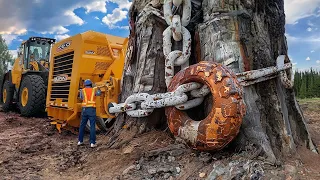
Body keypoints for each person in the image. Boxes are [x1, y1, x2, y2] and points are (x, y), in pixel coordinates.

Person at [77, 79, 101, 148]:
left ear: (85, 85)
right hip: (91, 109)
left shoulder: (82, 90)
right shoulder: (94, 90)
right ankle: (92, 143)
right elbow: (99, 93)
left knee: (82, 125)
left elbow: (81, 98)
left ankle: (80, 141)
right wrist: (98, 88)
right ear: (91, 84)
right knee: (92, 126)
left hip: (84, 110)